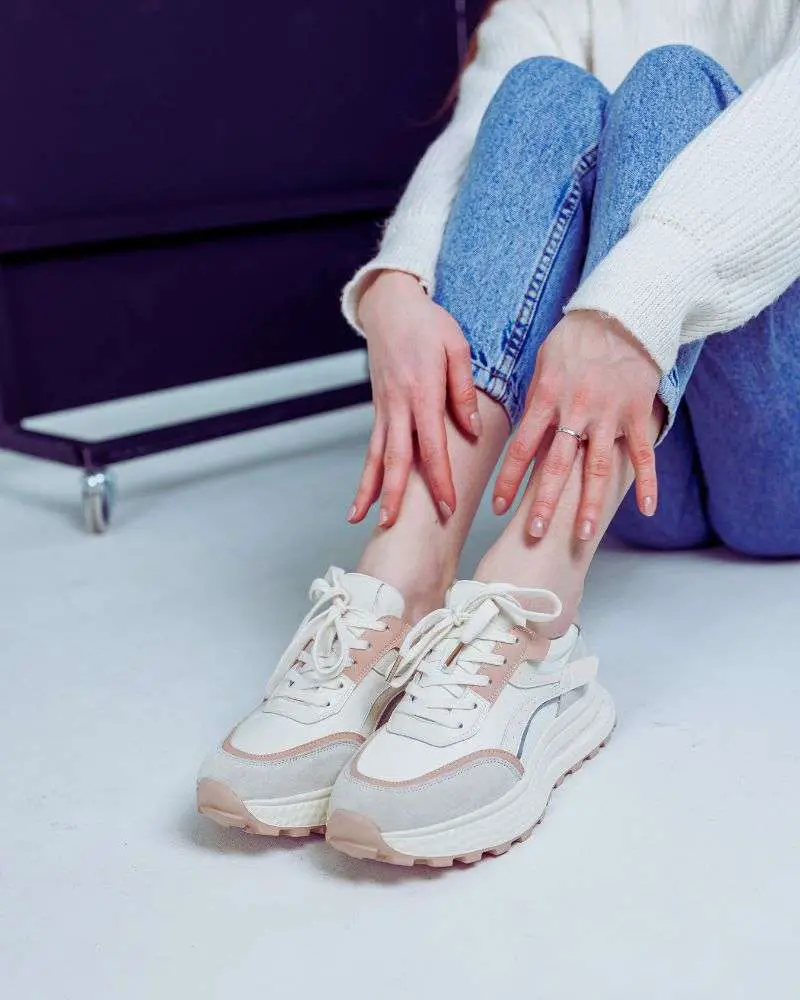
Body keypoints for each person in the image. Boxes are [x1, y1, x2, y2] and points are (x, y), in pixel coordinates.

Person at [197, 0, 800, 867]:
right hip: (629, 472)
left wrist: (629, 309)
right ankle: (399, 591)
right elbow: (481, 134)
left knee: (674, 84)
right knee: (539, 91)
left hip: (781, 449)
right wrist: (396, 283)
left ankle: (530, 625)